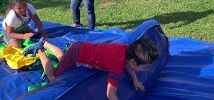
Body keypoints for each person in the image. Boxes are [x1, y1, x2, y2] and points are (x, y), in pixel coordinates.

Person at [23, 38, 159, 100]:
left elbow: (129, 67)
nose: (147, 69)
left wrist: (135, 79)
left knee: (62, 58)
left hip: (80, 48)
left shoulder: (127, 50)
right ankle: (40, 50)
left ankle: (45, 43)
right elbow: (111, 95)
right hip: (76, 54)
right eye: (146, 66)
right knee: (54, 77)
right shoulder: (117, 65)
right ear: (134, 62)